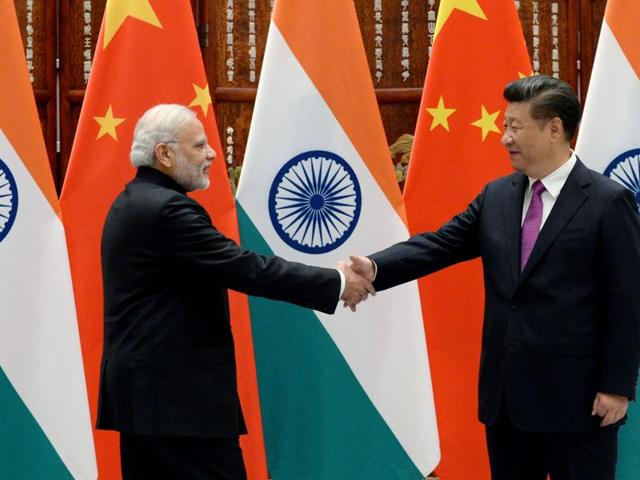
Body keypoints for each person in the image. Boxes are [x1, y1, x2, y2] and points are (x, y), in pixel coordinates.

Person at [348, 75, 640, 480]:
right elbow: (439, 245)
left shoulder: (607, 202)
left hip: (578, 402)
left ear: (554, 127)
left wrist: (617, 386)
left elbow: (627, 301)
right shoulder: (497, 196)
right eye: (504, 126)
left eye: (516, 126)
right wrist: (376, 267)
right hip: (507, 401)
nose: (505, 138)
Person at [97, 103, 373, 479]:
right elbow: (247, 269)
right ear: (164, 154)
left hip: (149, 401)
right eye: (198, 145)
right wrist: (338, 283)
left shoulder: (133, 201)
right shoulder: (167, 211)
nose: (212, 153)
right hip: (177, 406)